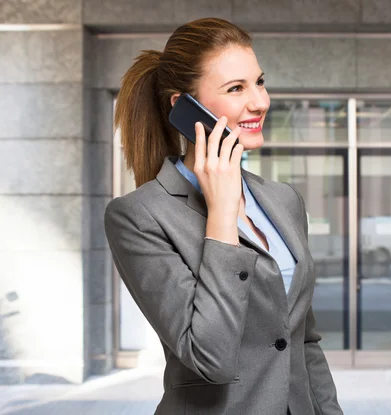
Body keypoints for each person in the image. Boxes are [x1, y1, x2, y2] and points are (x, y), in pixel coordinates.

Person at [104, 17, 343, 415]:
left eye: (259, 82)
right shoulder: (139, 216)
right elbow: (209, 357)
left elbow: (303, 340)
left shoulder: (283, 200)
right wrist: (221, 213)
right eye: (236, 88)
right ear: (185, 108)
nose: (260, 102)